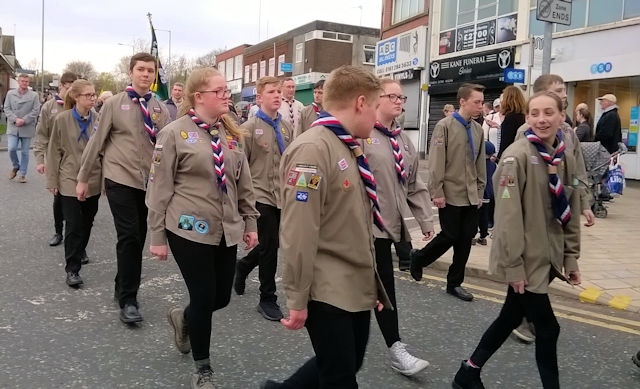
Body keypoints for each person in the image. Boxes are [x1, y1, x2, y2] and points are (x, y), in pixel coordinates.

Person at [261, 64, 391, 389]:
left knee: (349, 361)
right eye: (375, 106)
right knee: (340, 376)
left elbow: (352, 223)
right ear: (360, 103)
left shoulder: (348, 145)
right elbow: (298, 233)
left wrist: (370, 284)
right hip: (326, 289)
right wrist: (297, 297)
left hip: (353, 283)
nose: (377, 117)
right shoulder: (313, 150)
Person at [451, 91, 581, 389]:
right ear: (526, 117)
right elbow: (508, 219)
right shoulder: (515, 156)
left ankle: (468, 373)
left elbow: (569, 210)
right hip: (523, 260)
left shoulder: (565, 157)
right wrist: (513, 267)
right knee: (548, 329)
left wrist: (570, 257)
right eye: (534, 113)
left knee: (510, 316)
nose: (541, 119)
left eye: (549, 112)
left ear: (562, 116)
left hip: (547, 257)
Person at [146, 67, 259, 389]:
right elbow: (159, 189)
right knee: (204, 294)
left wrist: (250, 222)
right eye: (220, 91)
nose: (227, 96)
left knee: (220, 297)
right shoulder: (173, 134)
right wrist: (156, 236)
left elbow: (243, 185)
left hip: (226, 227)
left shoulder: (232, 135)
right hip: (187, 227)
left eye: (227, 91)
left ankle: (183, 318)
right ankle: (203, 368)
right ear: (200, 97)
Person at [76, 52, 171, 324]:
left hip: (149, 182)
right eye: (140, 69)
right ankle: (129, 299)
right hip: (120, 178)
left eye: (150, 71)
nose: (145, 75)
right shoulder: (114, 105)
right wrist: (83, 178)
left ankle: (122, 283)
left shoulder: (160, 108)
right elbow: (96, 143)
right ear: (130, 72)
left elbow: (166, 146)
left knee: (138, 236)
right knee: (129, 235)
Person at [511, 73, 594, 344]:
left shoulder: (568, 132)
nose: (564, 93)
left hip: (555, 220)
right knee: (539, 311)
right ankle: (527, 319)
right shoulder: (528, 133)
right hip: (532, 226)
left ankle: (472, 368)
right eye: (558, 90)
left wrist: (585, 202)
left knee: (517, 304)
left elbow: (577, 170)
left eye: (563, 92)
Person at [361, 78, 434, 376]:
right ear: (376, 99)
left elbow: (413, 183)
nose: (399, 102)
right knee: (380, 289)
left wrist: (425, 219)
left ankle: (382, 346)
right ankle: (395, 348)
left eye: (402, 98)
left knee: (377, 289)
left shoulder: (403, 140)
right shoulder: (362, 134)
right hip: (365, 227)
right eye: (393, 96)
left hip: (392, 226)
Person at [409, 83, 487, 302]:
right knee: (450, 235)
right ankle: (420, 258)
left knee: (465, 240)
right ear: (462, 101)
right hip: (450, 192)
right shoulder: (444, 126)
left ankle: (455, 283)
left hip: (471, 195)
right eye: (476, 102)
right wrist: (437, 191)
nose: (480, 106)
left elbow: (480, 163)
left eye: (482, 102)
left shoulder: (478, 130)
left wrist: (480, 191)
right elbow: (436, 162)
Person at [234, 76, 294, 321]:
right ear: (259, 98)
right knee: (270, 247)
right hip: (260, 196)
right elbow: (241, 166)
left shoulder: (286, 128)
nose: (277, 95)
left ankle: (244, 265)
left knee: (273, 244)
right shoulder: (248, 129)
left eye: (279, 92)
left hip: (282, 196)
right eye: (271, 92)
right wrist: (242, 204)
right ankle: (267, 298)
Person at [46, 79, 101, 288]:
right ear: (76, 97)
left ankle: (79, 251)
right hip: (68, 177)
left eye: (94, 94)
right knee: (74, 224)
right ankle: (72, 269)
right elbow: (53, 151)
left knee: (87, 223)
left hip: (93, 178)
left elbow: (103, 151)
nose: (93, 98)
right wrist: (52, 180)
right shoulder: (62, 119)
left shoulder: (99, 119)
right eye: (88, 95)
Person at [33, 71, 78, 248]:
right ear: (61, 86)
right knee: (58, 197)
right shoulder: (49, 107)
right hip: (55, 158)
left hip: (74, 157)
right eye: (69, 88)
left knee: (78, 199)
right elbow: (41, 135)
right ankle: (58, 231)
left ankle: (76, 240)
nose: (72, 92)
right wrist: (40, 160)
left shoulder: (78, 107)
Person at [4, 73, 41, 183]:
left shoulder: (34, 95)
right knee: (11, 148)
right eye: (22, 81)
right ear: (18, 82)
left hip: (27, 126)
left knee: (25, 152)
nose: (24, 83)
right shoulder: (10, 94)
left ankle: (22, 174)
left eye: (26, 81)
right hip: (13, 126)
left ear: (28, 83)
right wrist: (15, 119)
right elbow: (6, 108)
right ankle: (16, 166)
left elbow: (36, 110)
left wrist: (24, 120)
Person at [473, 141, 497, 246]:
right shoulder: (493, 165)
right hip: (488, 194)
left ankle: (472, 236)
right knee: (484, 216)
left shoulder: (478, 164)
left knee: (474, 215)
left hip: (478, 193)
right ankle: (483, 237)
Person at [497, 86, 526, 160]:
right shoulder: (524, 117)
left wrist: (498, 158)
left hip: (509, 158)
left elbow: (506, 142)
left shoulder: (510, 118)